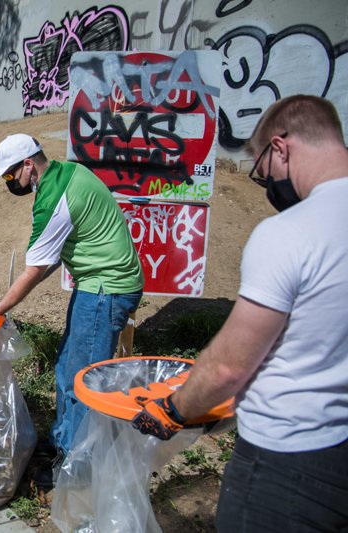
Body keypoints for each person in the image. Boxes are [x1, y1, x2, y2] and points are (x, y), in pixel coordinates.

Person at [131, 95, 348, 531]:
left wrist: (173, 409)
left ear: (281, 147)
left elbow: (228, 367)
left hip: (285, 464)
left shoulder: (288, 234)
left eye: (263, 171)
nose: (267, 187)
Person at [0, 134, 143, 459]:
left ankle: (75, 466)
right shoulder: (69, 172)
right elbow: (48, 260)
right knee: (68, 367)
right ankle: (64, 442)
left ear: (28, 165)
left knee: (82, 380)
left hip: (106, 288)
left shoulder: (53, 195)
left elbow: (35, 270)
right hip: (100, 284)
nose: (10, 183)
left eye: (10, 175)